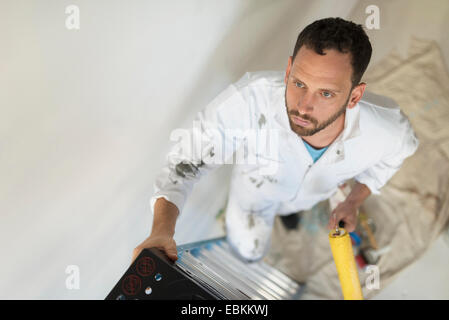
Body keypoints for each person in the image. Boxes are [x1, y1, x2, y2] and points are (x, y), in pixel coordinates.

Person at [131, 17, 419, 264]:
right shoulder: (247, 102)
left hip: (312, 196)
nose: (304, 107)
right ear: (288, 70)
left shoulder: (389, 130)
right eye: (299, 83)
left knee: (296, 207)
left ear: (354, 96)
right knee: (248, 251)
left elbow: (390, 160)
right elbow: (183, 167)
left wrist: (353, 201)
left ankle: (290, 211)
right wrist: (161, 230)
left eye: (326, 93)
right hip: (253, 196)